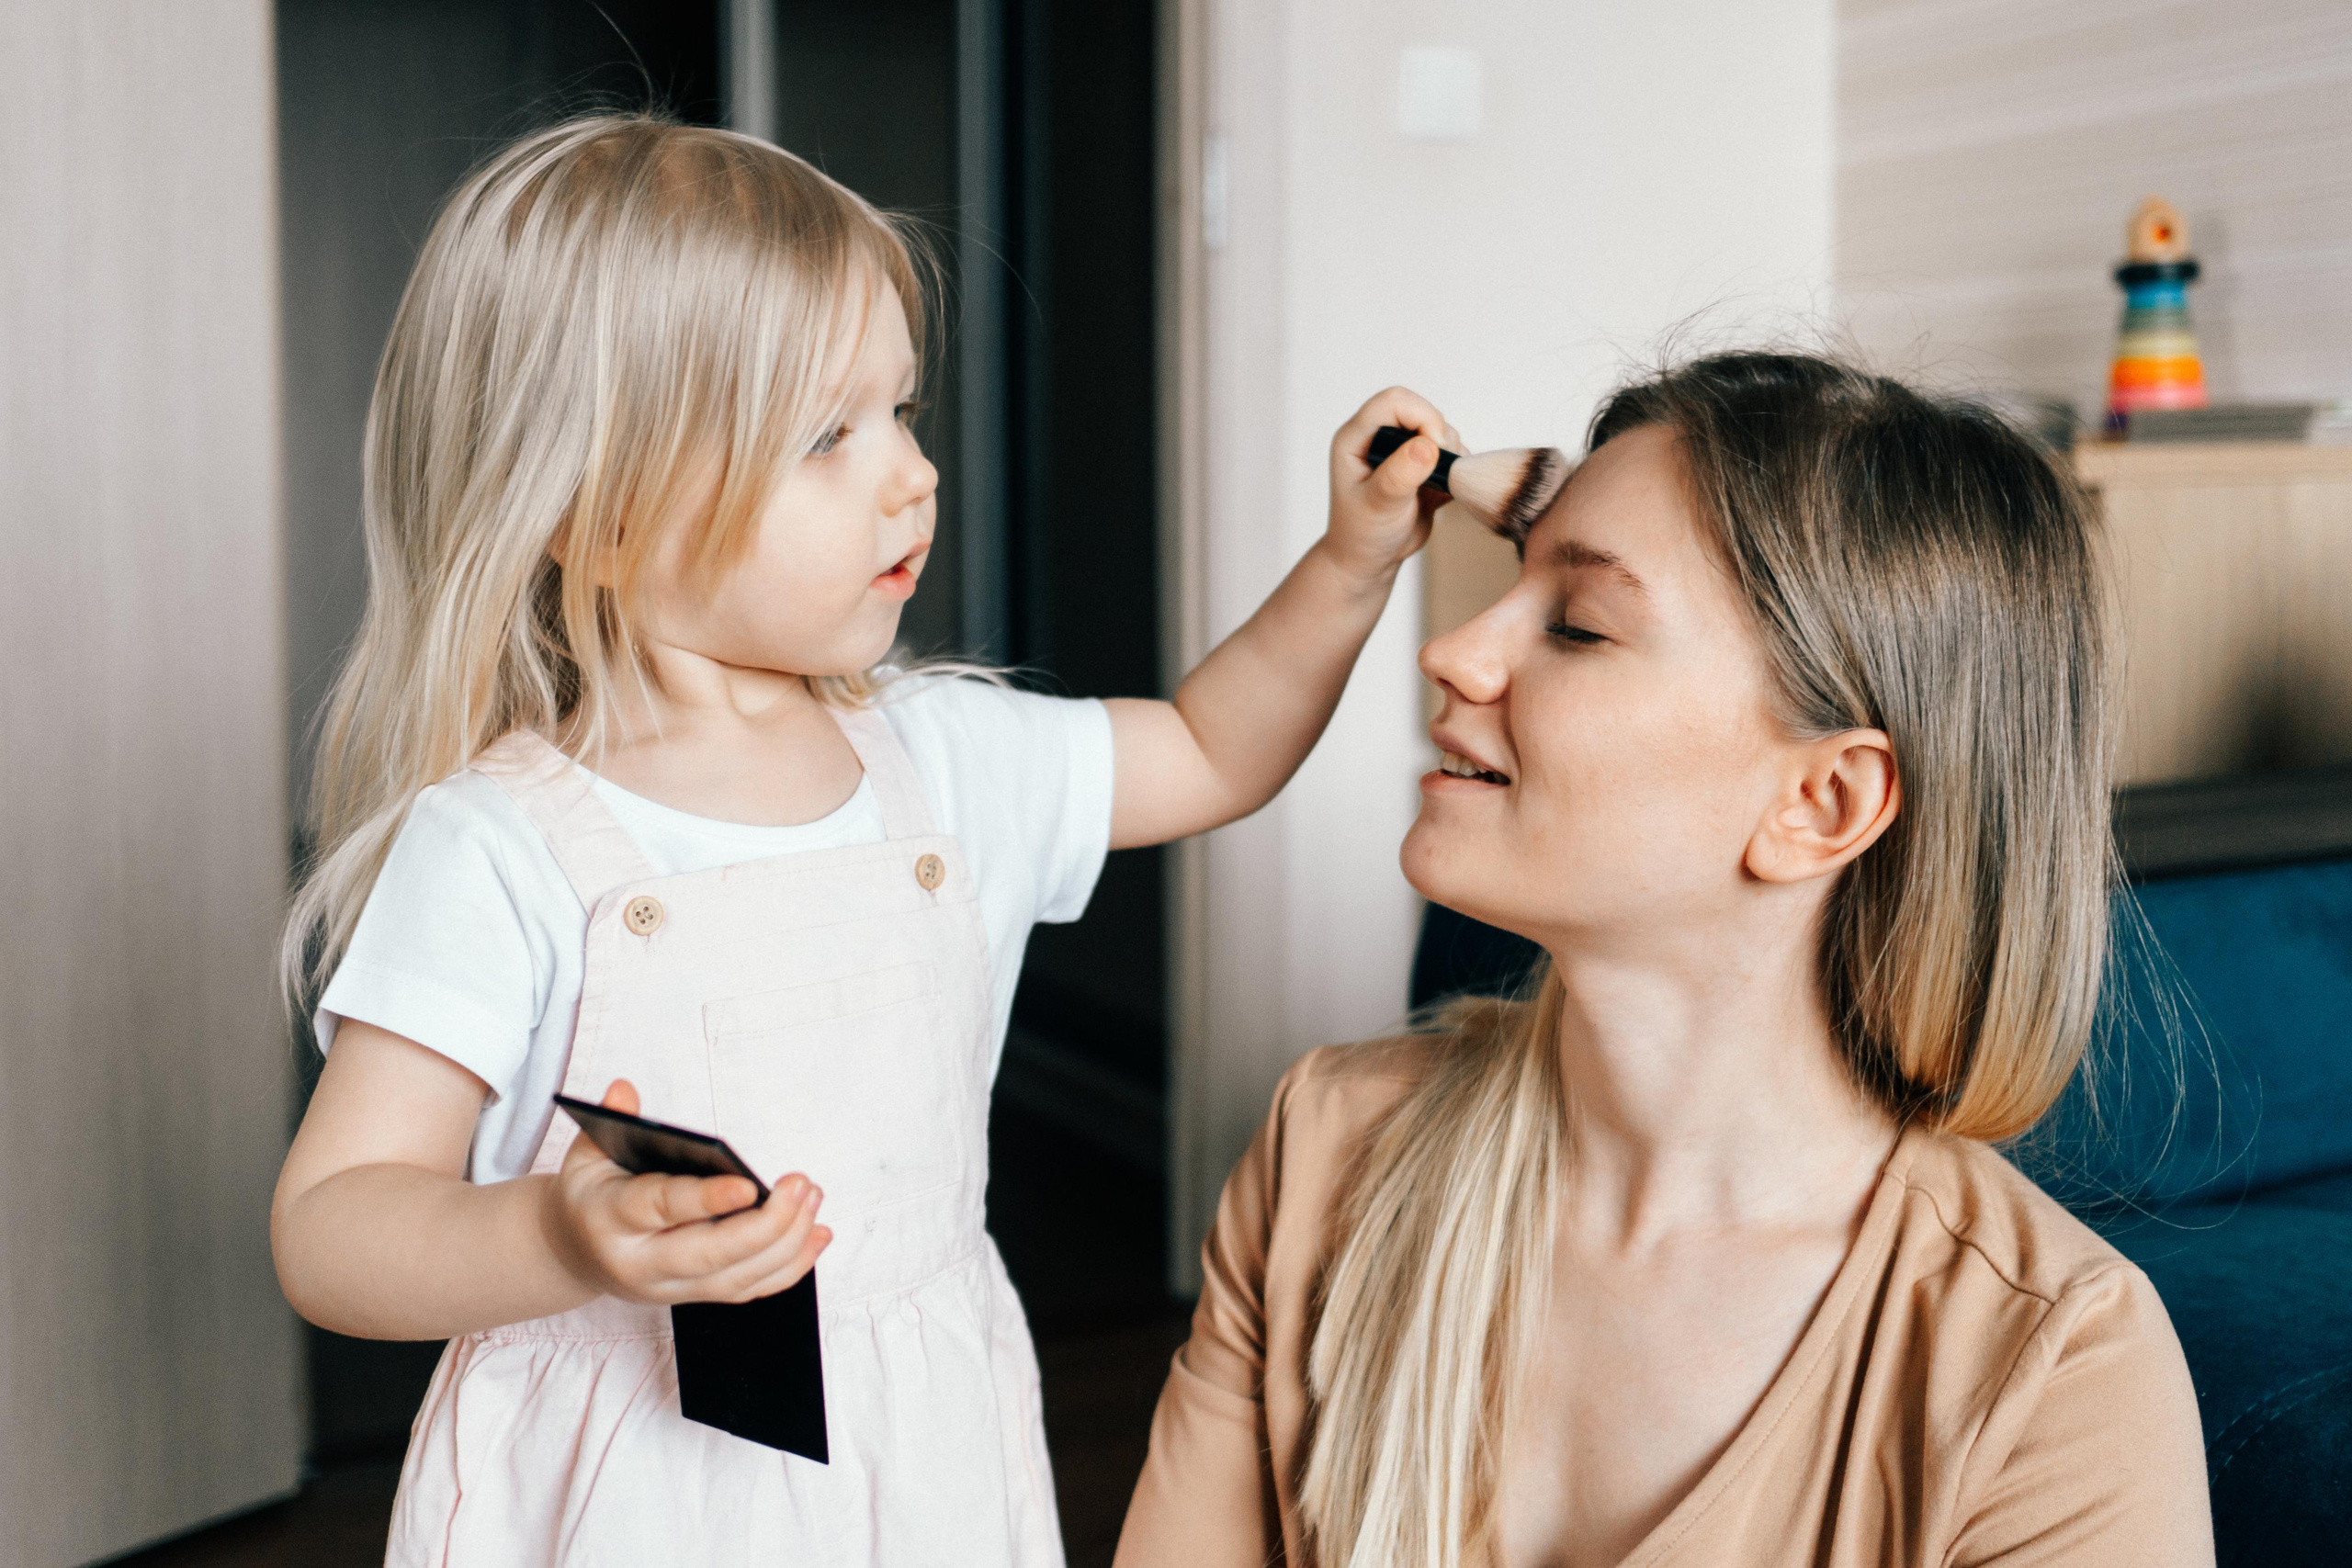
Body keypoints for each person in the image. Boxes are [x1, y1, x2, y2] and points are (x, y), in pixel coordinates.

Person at [268, 112, 1453, 1566]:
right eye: (828, 434)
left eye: (904, 411)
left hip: (923, 1445)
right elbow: (333, 1226)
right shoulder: (501, 845)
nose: (911, 475)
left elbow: (1213, 751)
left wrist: (1350, 564)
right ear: (601, 512)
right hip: (625, 1488)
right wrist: (557, 1241)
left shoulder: (946, 759)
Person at [1117, 353, 2215, 1568]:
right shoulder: (1326, 1147)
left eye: (1578, 626)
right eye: (1511, 586)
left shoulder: (2055, 1377)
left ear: (1823, 800)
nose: (1456, 655)